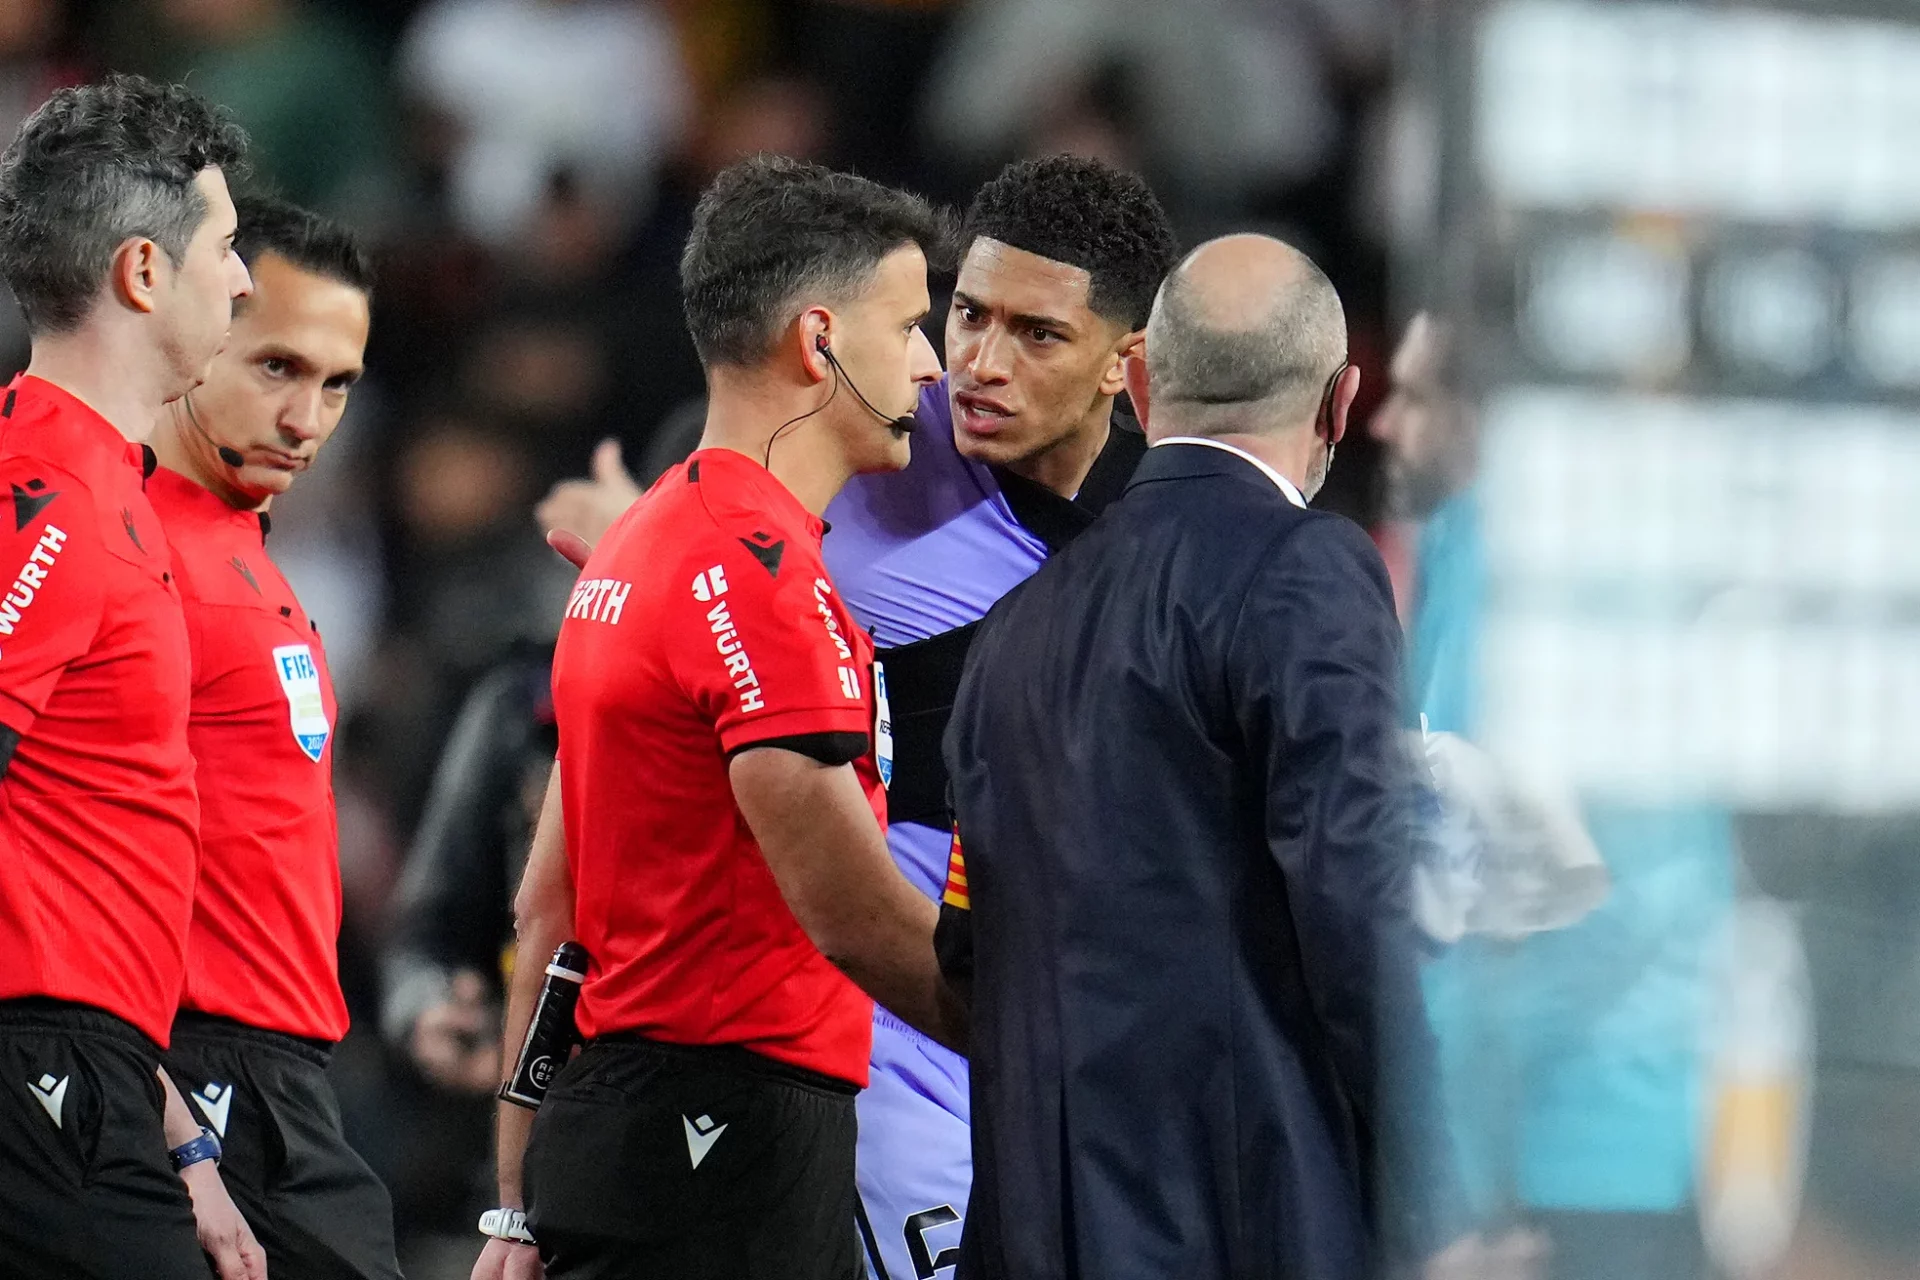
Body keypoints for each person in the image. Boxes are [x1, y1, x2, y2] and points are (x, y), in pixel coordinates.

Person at [534, 152, 1182, 1280]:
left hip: (1070, 1022)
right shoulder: (865, 429)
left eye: (1037, 335)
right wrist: (640, 540)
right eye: (966, 315)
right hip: (876, 1020)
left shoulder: (1171, 533)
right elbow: (716, 516)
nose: (972, 363)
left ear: (1124, 367)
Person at [474, 155, 965, 1280]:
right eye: (908, 327)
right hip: (727, 1137)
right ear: (819, 339)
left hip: (628, 1123)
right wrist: (1038, 1043)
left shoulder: (639, 546)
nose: (932, 366)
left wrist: (514, 1201)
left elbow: (549, 904)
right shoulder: (759, 574)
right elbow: (849, 912)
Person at [939, 235, 1465, 1279]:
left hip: (1029, 1232)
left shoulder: (1010, 631)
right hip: (1246, 1229)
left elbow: (967, 950)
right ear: (1339, 402)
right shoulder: (1309, 568)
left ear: (1138, 385)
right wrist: (1449, 1183)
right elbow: (1359, 901)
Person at [1371, 313, 1730, 1280]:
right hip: (1626, 1127)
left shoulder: (1519, 562)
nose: (1386, 424)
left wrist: (1451, 1195)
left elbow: (1478, 891)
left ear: (1480, 414)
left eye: (1415, 399)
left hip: (1557, 1148)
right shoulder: (1545, 550)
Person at [0, 74, 264, 1280]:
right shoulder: (48, 500)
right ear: (144, 272)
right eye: (225, 247)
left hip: (93, 1067)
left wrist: (180, 1139)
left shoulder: (97, 488)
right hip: (39, 1073)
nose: (244, 280)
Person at [146, 192, 402, 1280]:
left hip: (283, 1081)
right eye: (277, 367)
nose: (308, 419)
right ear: (192, 331)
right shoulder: (123, 549)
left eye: (337, 383)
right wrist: (166, 1121)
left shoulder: (244, 552)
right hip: (188, 1069)